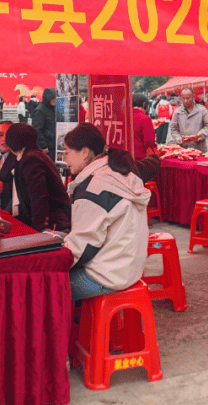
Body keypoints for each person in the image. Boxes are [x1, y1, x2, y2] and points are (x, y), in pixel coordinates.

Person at [63, 122, 150, 300]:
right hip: (129, 269)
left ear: (85, 153)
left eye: (67, 152)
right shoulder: (116, 171)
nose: (65, 159)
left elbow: (83, 248)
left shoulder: (94, 187)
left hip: (103, 277)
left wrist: (54, 260)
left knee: (46, 288)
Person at [3, 123, 70, 232]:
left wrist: (41, 226)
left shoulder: (31, 159)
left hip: (54, 223)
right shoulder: (33, 155)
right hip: (54, 220)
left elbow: (38, 195)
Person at [167, 87, 208, 153]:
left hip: (199, 147)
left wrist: (201, 134)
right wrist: (177, 138)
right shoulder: (177, 112)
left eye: (188, 98)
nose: (185, 101)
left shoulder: (202, 110)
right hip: (183, 148)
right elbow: (173, 129)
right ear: (180, 98)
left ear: (193, 97)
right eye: (183, 98)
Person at [32, 87, 58, 160]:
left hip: (54, 145)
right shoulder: (40, 110)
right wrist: (43, 145)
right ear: (47, 98)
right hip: (47, 147)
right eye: (52, 98)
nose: (54, 100)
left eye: (55, 98)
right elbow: (37, 130)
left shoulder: (53, 108)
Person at [131, 94, 157, 160]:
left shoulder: (124, 116)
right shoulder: (145, 119)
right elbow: (149, 141)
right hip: (140, 157)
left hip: (125, 156)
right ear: (144, 104)